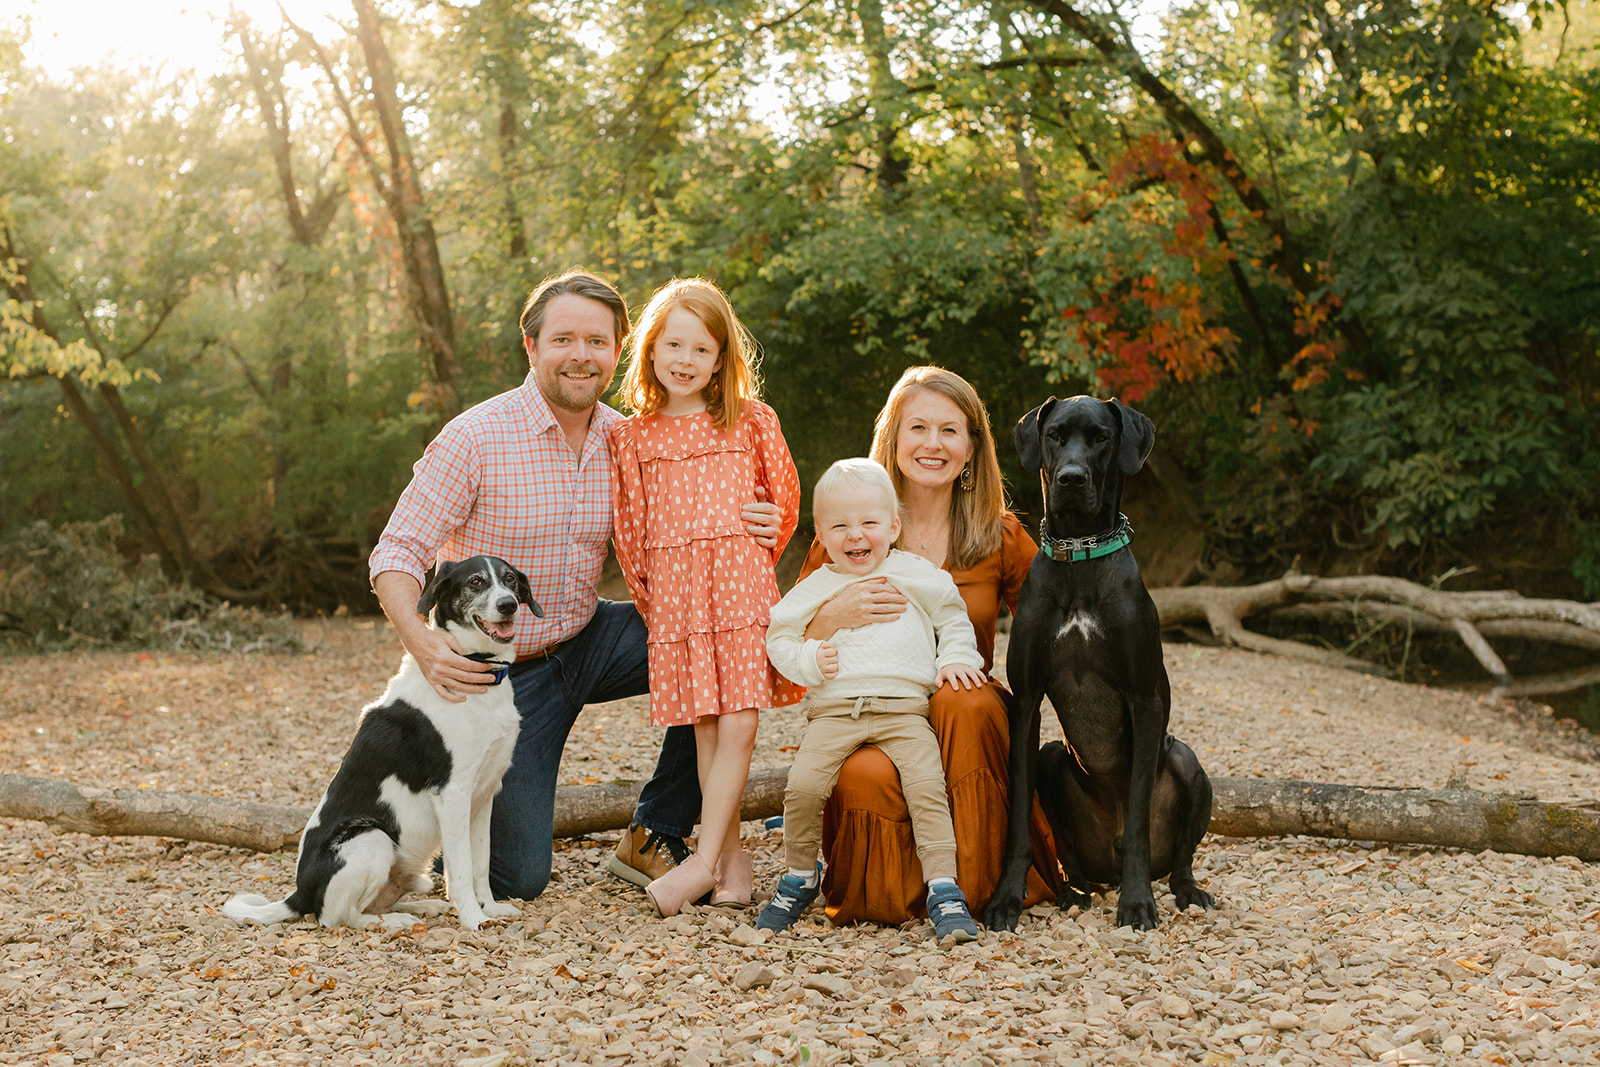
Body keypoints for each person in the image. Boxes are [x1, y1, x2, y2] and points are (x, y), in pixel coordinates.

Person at [368, 268, 783, 901]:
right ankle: (444, 835)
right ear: (531, 347)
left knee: (714, 644)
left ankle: (658, 830)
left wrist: (764, 515)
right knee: (516, 879)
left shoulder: (628, 437)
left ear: (619, 352)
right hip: (508, 672)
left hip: (594, 637)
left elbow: (703, 511)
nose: (581, 355)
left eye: (597, 341)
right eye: (563, 339)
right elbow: (396, 550)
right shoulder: (475, 437)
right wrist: (425, 647)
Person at [797, 366, 1065, 924]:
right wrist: (833, 616)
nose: (933, 444)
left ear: (971, 449)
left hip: (963, 713)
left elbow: (1057, 627)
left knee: (959, 699)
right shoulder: (849, 531)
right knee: (865, 776)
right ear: (893, 439)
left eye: (950, 430)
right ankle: (896, 896)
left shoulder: (1000, 535)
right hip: (871, 708)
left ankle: (971, 889)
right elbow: (787, 643)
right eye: (918, 427)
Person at [609, 278, 802, 916]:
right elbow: (629, 534)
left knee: (741, 723)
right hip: (680, 601)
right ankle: (732, 859)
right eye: (673, 345)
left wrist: (763, 538)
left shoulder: (750, 420)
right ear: (651, 350)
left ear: (721, 359)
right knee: (707, 730)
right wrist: (655, 601)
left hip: (741, 588)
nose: (686, 360)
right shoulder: (633, 437)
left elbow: (785, 500)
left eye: (701, 348)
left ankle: (698, 861)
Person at [761, 458, 982, 942]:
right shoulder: (816, 586)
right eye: (839, 525)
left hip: (905, 710)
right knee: (801, 788)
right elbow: (779, 638)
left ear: (893, 527)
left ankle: (943, 887)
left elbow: (952, 619)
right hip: (835, 713)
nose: (855, 535)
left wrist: (955, 658)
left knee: (927, 786)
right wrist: (812, 660)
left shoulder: (917, 575)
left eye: (868, 524)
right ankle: (800, 874)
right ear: (820, 532)